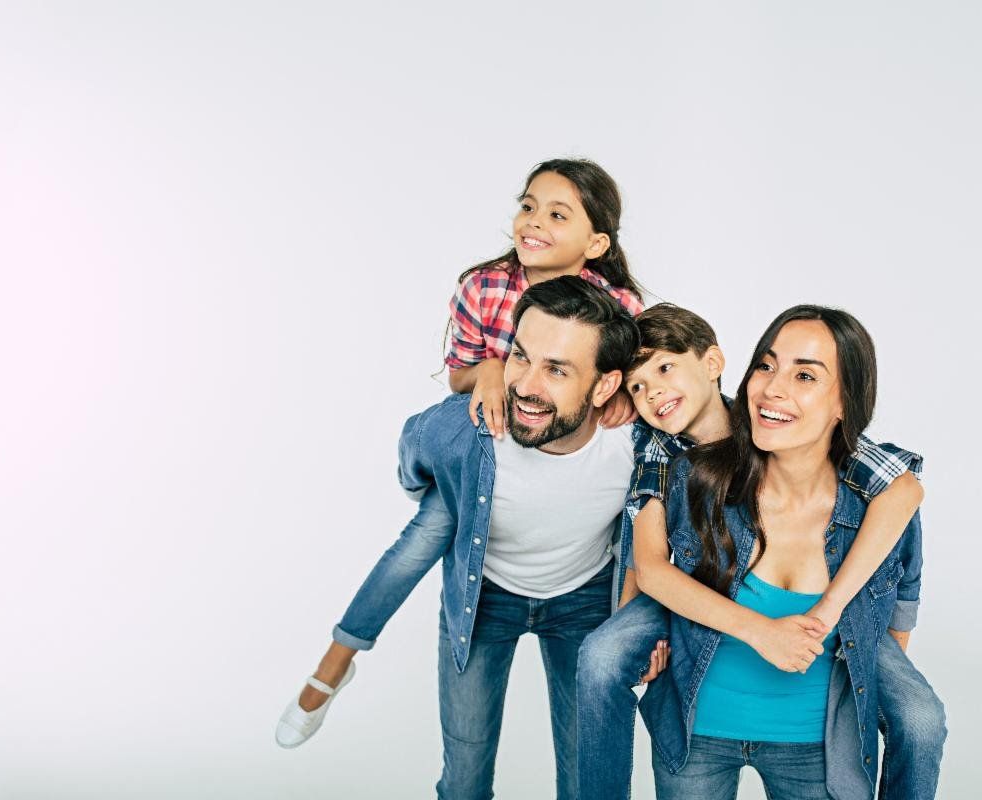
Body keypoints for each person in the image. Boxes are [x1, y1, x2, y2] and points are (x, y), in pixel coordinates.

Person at [277, 158, 642, 748]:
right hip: (482, 448)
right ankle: (337, 659)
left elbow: (639, 380)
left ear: (595, 242)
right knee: (421, 539)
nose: (533, 222)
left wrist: (621, 394)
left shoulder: (619, 306)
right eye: (527, 206)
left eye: (557, 214)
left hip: (565, 493)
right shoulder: (485, 287)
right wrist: (493, 369)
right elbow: (456, 380)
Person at [575, 304, 943, 798]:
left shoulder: (811, 444)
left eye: (664, 370)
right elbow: (650, 567)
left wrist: (847, 644)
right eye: (637, 387)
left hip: (823, 663)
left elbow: (903, 495)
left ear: (714, 364)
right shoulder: (661, 451)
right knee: (602, 656)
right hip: (679, 595)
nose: (653, 392)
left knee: (921, 718)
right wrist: (642, 631)